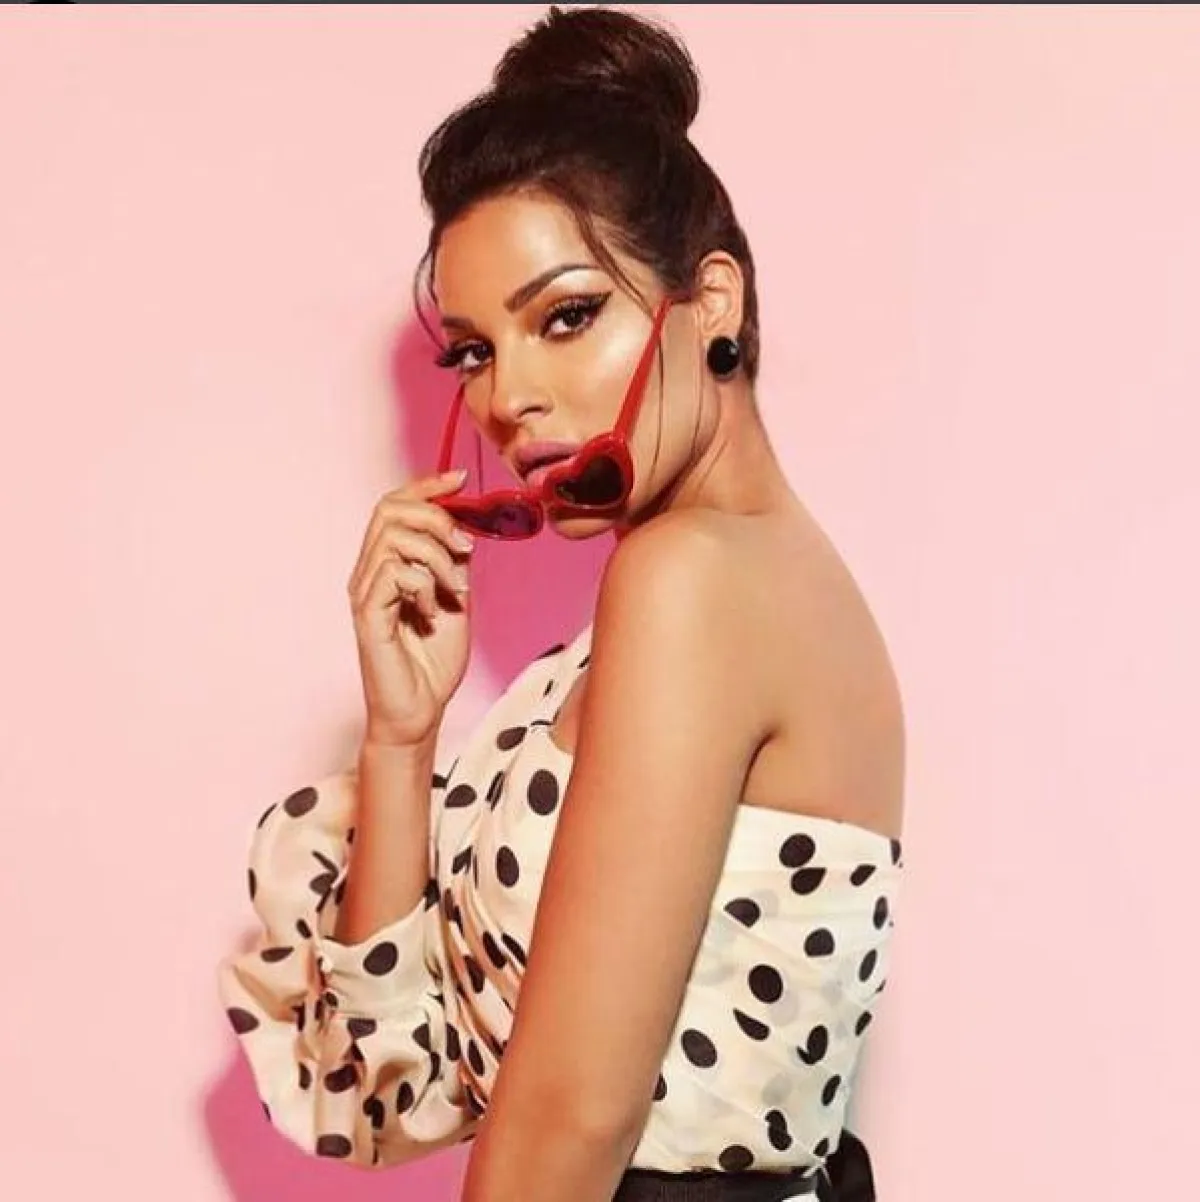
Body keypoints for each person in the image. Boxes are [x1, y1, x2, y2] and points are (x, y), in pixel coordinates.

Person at [217, 7, 905, 1201]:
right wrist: (402, 737)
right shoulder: (680, 606)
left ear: (714, 300)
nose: (511, 397)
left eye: (567, 316)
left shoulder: (695, 580)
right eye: (475, 350)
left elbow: (571, 1117)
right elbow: (398, 1090)